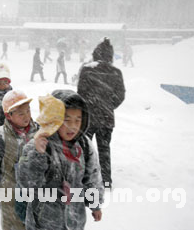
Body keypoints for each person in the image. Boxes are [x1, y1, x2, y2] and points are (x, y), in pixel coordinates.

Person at [17, 90, 104, 230]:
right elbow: (27, 185)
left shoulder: (83, 145)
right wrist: (37, 155)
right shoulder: (38, 144)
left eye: (78, 119)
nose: (73, 126)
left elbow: (92, 176)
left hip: (75, 220)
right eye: (66, 120)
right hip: (44, 222)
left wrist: (95, 204)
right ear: (54, 119)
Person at [0, 90, 38, 230]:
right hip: (9, 190)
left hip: (34, 189)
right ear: (8, 115)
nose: (26, 116)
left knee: (34, 221)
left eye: (28, 111)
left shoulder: (39, 132)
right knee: (11, 222)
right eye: (21, 113)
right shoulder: (1, 135)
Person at [77, 37, 125, 189]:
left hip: (89, 117)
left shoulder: (87, 70)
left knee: (85, 148)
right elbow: (120, 96)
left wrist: (89, 106)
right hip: (106, 118)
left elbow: (80, 92)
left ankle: (84, 177)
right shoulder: (116, 72)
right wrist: (108, 106)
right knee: (104, 149)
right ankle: (106, 179)